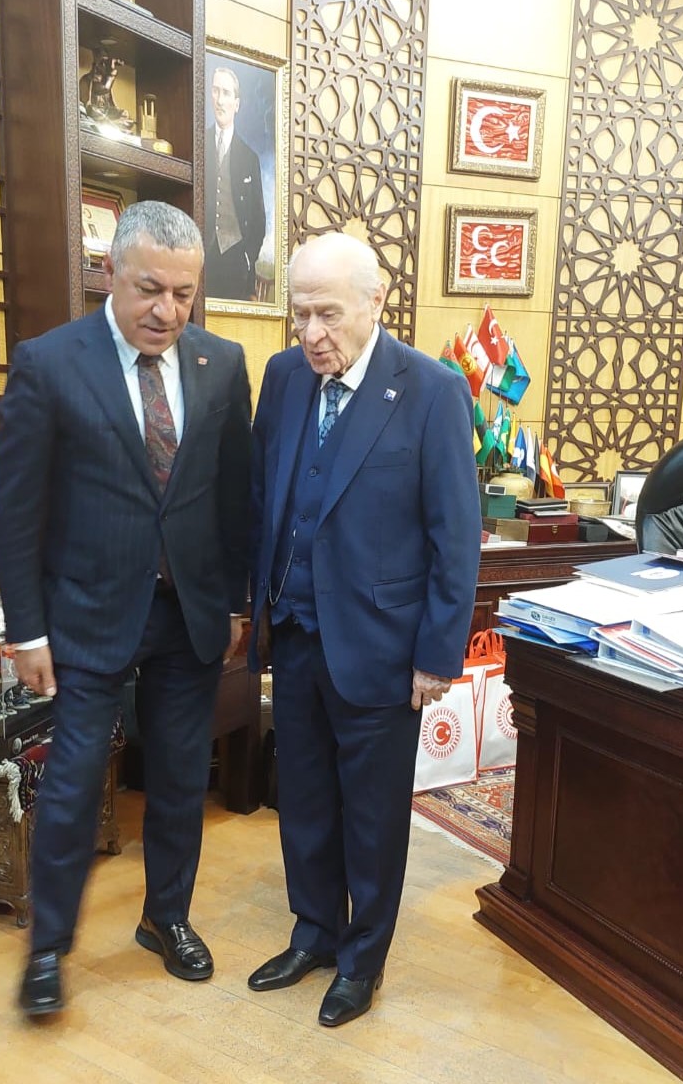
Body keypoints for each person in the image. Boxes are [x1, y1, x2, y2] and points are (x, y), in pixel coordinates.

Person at [0, 200, 252, 1018]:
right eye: (150, 289)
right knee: (72, 783)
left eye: (184, 294)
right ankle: (48, 947)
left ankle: (165, 917)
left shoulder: (221, 363)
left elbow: (234, 496)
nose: (167, 311)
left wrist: (236, 602)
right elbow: (17, 512)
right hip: (88, 616)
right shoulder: (49, 363)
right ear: (110, 271)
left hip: (189, 613)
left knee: (180, 778)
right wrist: (26, 630)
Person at [246, 231, 480, 1027]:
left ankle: (362, 960)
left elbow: (455, 537)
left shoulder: (432, 391)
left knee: (373, 816)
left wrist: (437, 655)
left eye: (328, 315)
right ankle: (313, 932)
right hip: (295, 633)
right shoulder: (284, 377)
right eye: (299, 314)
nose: (311, 334)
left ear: (375, 301)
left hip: (382, 647)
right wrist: (255, 608)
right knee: (305, 799)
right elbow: (265, 497)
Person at [205, 66, 266, 302]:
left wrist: (249, 257)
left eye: (226, 93)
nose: (220, 100)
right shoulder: (198, 144)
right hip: (202, 258)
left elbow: (258, 219)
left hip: (236, 262)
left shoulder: (250, 158)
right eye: (215, 91)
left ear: (237, 104)